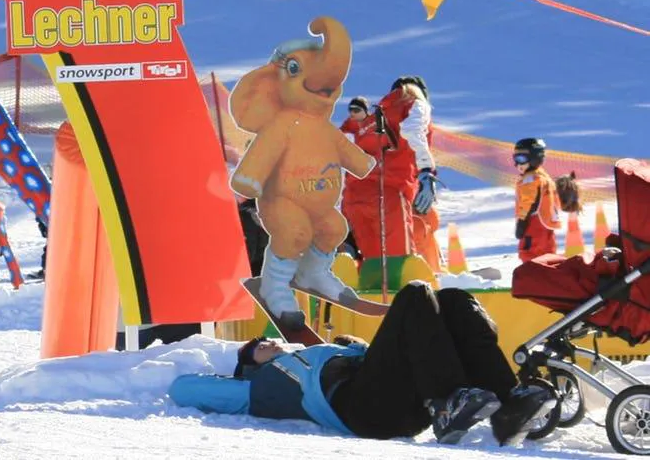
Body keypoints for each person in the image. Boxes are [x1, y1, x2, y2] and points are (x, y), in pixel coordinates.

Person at [170, 282, 556, 446]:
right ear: (248, 367)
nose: (267, 341)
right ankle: (448, 402)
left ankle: (508, 406)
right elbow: (184, 388)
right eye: (256, 346)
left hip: (398, 402)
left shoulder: (320, 355)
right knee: (416, 293)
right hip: (363, 410)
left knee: (452, 299)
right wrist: (237, 374)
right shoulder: (257, 388)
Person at [374, 77, 444, 270]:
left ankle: (433, 269)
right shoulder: (416, 106)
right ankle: (427, 273)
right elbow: (412, 132)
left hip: (382, 185)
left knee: (423, 221)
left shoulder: (382, 113)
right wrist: (426, 172)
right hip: (402, 184)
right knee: (420, 225)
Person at [338, 97, 385, 263]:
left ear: (366, 111)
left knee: (375, 233)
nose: (352, 113)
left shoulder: (375, 128)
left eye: (356, 110)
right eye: (350, 110)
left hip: (372, 189)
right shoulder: (345, 133)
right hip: (351, 193)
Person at [512, 138, 563, 262]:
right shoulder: (543, 176)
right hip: (547, 223)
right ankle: (548, 275)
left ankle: (531, 276)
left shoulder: (529, 180)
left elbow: (528, 202)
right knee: (548, 252)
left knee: (530, 252)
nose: (517, 164)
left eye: (521, 159)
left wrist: (522, 223)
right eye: (515, 159)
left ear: (534, 158)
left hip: (533, 223)